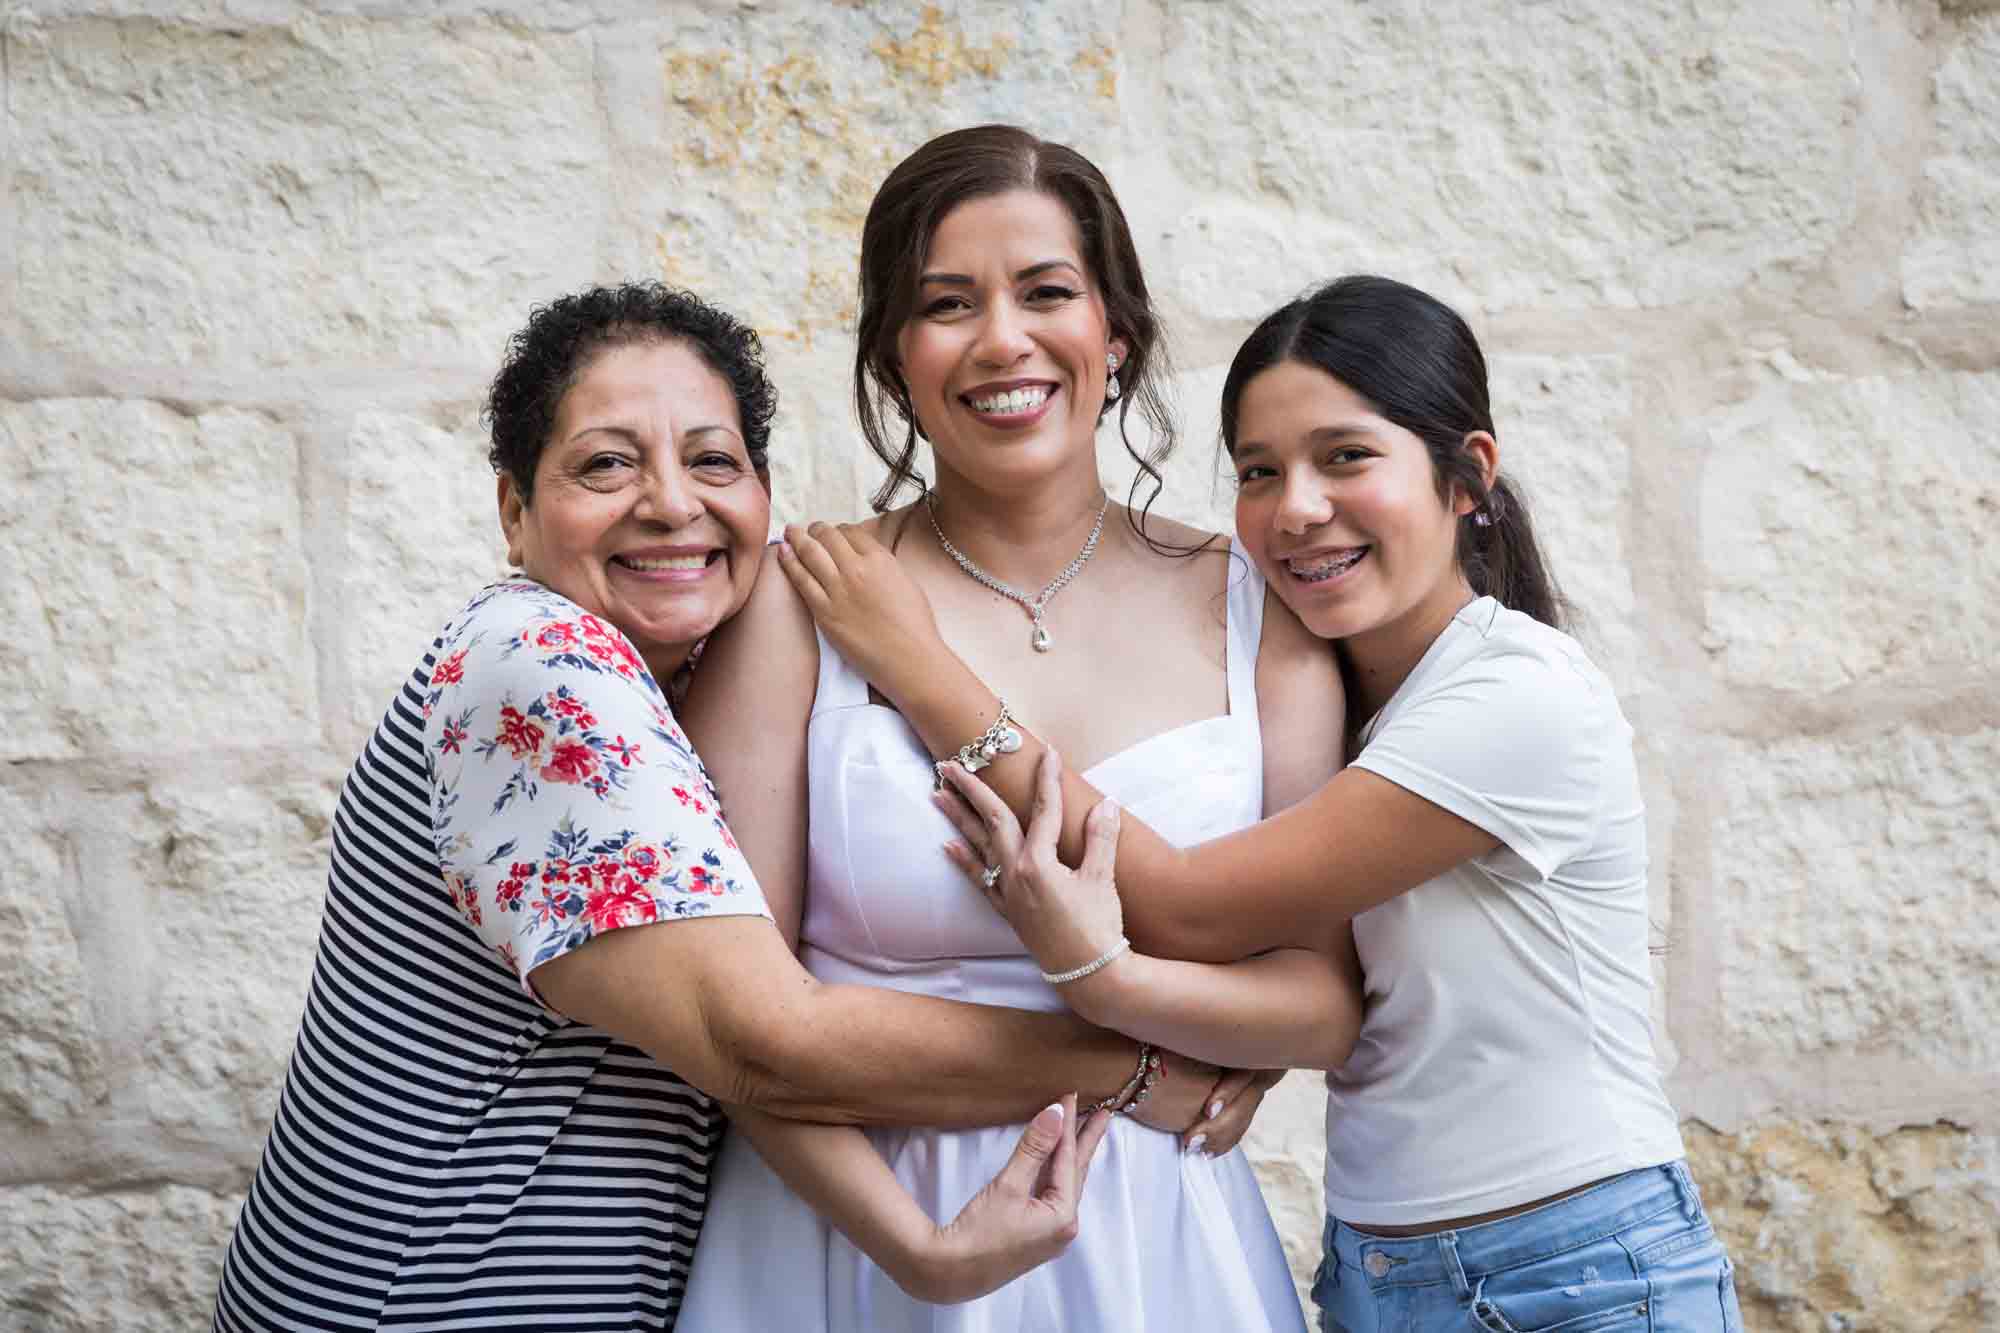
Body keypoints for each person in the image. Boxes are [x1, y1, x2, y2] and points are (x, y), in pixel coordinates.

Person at [209, 282, 1250, 1333]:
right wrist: (1138, 1065)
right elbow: (763, 1038)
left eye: (713, 460)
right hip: (426, 1301)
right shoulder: (543, 665)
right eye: (606, 464)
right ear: (513, 510)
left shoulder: (659, 674)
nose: (669, 502)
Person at [778, 274, 1746, 1332]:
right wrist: (1240, 1037)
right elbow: (1339, 992)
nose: (1294, 508)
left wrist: (921, 671)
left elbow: (1190, 908)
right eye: (1257, 470)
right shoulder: (1366, 703)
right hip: (1383, 1267)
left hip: (1565, 1264)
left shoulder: (1514, 694)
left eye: (1344, 457)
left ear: (1467, 477)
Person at [677, 126, 1364, 1332]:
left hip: (1159, 1247)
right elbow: (735, 1024)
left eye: (1046, 291)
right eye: (947, 303)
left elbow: (1312, 994)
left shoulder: (1265, 610)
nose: (1002, 340)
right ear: (895, 357)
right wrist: (1138, 1061)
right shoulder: (799, 601)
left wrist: (1154, 1005)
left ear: (1117, 331)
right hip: (851, 1246)